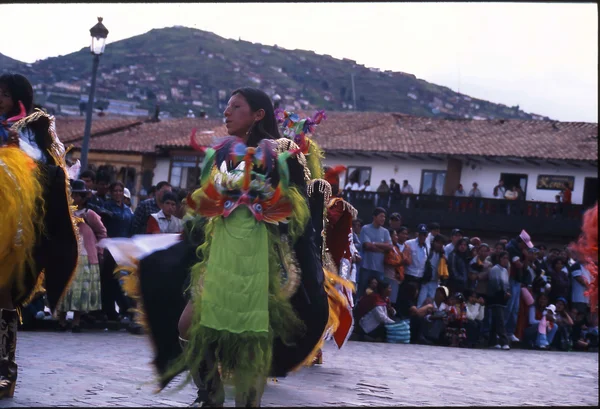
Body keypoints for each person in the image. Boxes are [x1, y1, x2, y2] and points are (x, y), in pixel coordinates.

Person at [118, 88, 333, 407]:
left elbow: (296, 205)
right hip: (218, 257)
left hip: (256, 261)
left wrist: (262, 205)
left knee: (248, 343)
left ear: (259, 114)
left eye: (236, 106)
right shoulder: (224, 153)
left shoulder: (280, 151)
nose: (227, 112)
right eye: (227, 106)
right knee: (187, 326)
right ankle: (210, 395)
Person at [0, 73, 79, 398]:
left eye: (4, 94)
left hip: (16, 233)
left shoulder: (29, 135)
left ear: (19, 99)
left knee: (2, 294)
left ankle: (6, 371)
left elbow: (43, 177)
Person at [57, 179, 106, 332]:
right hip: (66, 255)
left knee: (80, 291)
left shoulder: (90, 215)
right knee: (65, 289)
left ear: (83, 198)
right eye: (72, 195)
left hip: (85, 256)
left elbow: (102, 232)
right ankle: (61, 319)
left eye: (77, 195)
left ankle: (76, 321)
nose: (74, 198)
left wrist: (99, 251)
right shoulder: (64, 212)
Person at [100, 181, 134, 323]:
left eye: (120, 191)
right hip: (110, 248)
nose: (118, 193)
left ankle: (125, 310)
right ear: (111, 192)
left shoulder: (127, 210)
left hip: (123, 248)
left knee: (121, 281)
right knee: (108, 281)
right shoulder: (106, 207)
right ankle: (109, 311)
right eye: (115, 191)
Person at [504, 230, 534, 343]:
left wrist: (525, 258)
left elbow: (525, 268)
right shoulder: (512, 248)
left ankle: (510, 332)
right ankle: (502, 332)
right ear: (521, 242)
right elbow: (519, 265)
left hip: (517, 281)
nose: (526, 248)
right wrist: (526, 257)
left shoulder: (519, 250)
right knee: (509, 307)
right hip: (511, 280)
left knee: (515, 308)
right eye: (525, 245)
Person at [358, 208, 392, 298]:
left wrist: (374, 243)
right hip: (366, 266)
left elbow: (390, 247)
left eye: (384, 217)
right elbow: (367, 246)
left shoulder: (385, 232)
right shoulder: (366, 228)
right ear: (374, 217)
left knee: (379, 293)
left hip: (379, 268)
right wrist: (382, 249)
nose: (383, 219)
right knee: (362, 290)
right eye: (381, 216)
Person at [487, 251, 511, 350]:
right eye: (504, 258)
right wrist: (503, 294)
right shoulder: (495, 269)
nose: (506, 260)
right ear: (500, 258)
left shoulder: (505, 271)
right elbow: (494, 285)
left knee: (495, 321)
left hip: (503, 299)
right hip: (496, 299)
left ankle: (492, 341)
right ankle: (504, 341)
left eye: (507, 258)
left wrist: (507, 293)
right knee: (500, 321)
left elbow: (507, 284)